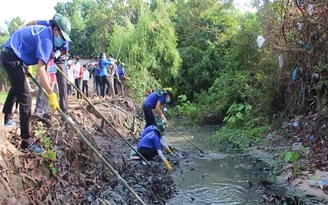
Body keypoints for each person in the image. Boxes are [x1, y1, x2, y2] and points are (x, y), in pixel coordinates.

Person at [0, 13, 71, 154]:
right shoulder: (48, 41)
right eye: (61, 36)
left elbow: (29, 24)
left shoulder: (47, 26)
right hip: (12, 56)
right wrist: (51, 94)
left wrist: (25, 44)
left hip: (13, 53)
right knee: (26, 98)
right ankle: (26, 141)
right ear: (56, 29)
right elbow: (41, 69)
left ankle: (7, 117)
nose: (61, 40)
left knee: (17, 86)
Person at [28, 14, 71, 122]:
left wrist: (56, 54)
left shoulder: (64, 37)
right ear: (55, 27)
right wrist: (24, 26)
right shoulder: (48, 25)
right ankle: (38, 111)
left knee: (62, 83)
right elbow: (34, 22)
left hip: (59, 57)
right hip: (47, 55)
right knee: (44, 81)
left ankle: (64, 111)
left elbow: (65, 51)